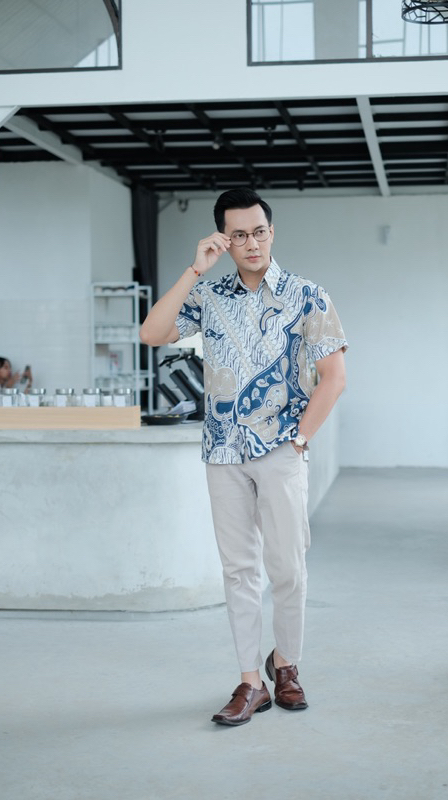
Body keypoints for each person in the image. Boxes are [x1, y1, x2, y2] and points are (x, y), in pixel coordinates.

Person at [140, 188, 348, 727]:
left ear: (271, 233)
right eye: (239, 235)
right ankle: (251, 682)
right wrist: (194, 269)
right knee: (238, 570)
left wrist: (299, 440)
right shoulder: (208, 296)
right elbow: (152, 333)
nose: (251, 243)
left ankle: (287, 665)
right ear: (224, 241)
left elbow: (334, 378)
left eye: (259, 232)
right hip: (223, 451)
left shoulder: (307, 296)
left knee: (289, 567)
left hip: (281, 448)